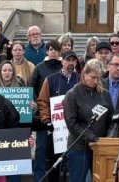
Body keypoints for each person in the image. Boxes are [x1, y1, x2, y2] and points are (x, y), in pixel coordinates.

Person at [63, 63, 112, 182]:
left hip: (100, 147)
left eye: (98, 78)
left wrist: (108, 139)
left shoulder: (104, 94)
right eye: (93, 77)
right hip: (79, 148)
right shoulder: (72, 95)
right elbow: (72, 124)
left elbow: (111, 119)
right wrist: (93, 138)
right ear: (84, 74)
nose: (95, 81)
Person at [34, 48, 77, 181]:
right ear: (62, 61)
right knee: (54, 163)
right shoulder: (51, 79)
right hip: (56, 130)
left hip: (75, 130)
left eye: (73, 60)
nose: (70, 63)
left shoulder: (81, 79)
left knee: (74, 163)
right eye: (67, 60)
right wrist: (46, 119)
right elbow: (42, 101)